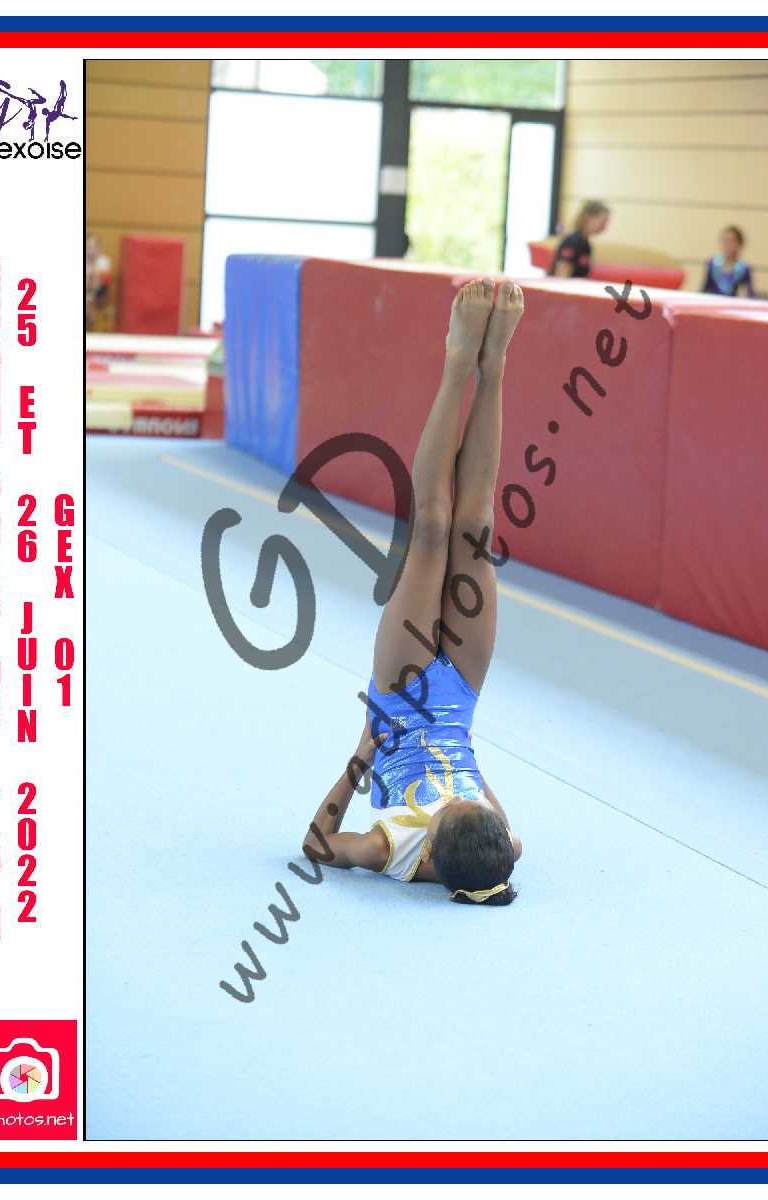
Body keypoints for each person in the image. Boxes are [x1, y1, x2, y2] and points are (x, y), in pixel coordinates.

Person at [302, 279, 525, 906]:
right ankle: (495, 364)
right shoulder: (501, 848)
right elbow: (505, 834)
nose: (463, 799)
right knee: (475, 531)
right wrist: (471, 768)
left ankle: (457, 360)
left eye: (454, 807)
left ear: (428, 847)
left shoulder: (393, 848)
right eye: (477, 806)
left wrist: (360, 759)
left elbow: (317, 846)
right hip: (460, 696)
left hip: (400, 693)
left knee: (430, 530)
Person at [550, 200, 610, 279]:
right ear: (589, 218)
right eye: (603, 222)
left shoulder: (586, 244)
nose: (604, 226)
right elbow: (561, 276)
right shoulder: (572, 241)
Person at [701, 226, 755, 298]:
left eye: (732, 241)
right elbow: (704, 290)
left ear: (739, 244)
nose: (728, 245)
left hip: (734, 303)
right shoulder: (713, 264)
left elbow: (749, 294)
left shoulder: (744, 269)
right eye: (725, 240)